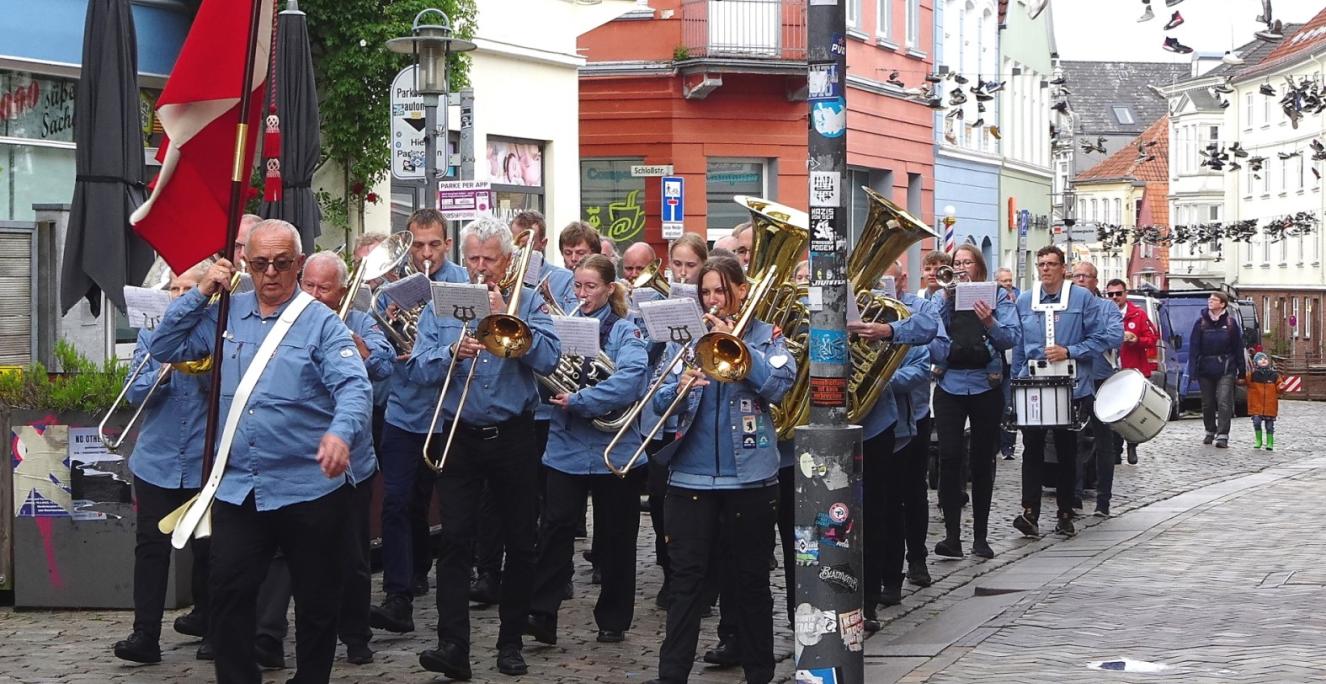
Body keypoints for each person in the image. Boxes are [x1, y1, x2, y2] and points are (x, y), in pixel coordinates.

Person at [149, 219, 373, 683]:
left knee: (317, 601)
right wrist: (199, 294)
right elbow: (165, 345)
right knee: (228, 593)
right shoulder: (225, 310)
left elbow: (354, 387)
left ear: (299, 264)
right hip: (239, 488)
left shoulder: (321, 323)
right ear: (245, 265)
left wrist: (339, 434)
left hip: (308, 487)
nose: (271, 273)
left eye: (282, 263)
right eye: (260, 263)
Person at [411, 215, 561, 679]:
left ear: (508, 261)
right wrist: (449, 354)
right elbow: (417, 368)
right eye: (472, 258)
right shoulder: (443, 303)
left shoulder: (530, 300)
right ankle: (452, 645)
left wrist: (510, 322)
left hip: (514, 434)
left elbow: (552, 358)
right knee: (455, 540)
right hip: (459, 433)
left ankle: (511, 641)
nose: (480, 268)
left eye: (489, 259)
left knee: (520, 540)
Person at [647, 257, 794, 684]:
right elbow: (655, 403)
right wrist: (678, 388)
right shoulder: (686, 340)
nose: (713, 300)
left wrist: (740, 348)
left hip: (751, 478)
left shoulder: (769, 335)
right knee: (686, 582)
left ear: (742, 291)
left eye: (721, 291)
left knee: (749, 582)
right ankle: (671, 674)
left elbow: (780, 387)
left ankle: (759, 673)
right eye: (706, 292)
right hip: (689, 479)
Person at [526, 254, 650, 645]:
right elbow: (543, 366)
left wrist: (583, 400)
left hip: (616, 448)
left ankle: (613, 618)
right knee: (555, 529)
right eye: (577, 286)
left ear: (609, 289)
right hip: (566, 448)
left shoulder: (624, 331)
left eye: (590, 287)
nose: (582, 294)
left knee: (616, 537)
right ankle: (542, 613)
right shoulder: (562, 326)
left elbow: (631, 379)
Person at [371, 209, 471, 634]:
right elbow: (382, 351)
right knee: (396, 501)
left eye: (433, 244)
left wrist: (430, 350)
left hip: (451, 415)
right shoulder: (388, 293)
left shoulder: (466, 286)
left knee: (446, 506)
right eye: (417, 245)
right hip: (405, 410)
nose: (425, 253)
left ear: (447, 244)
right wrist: (391, 331)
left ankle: (446, 577)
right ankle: (399, 596)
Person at [112, 264, 214, 665]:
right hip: (157, 458)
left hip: (205, 458)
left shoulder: (214, 332)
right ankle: (145, 635)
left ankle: (213, 627)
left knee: (211, 549)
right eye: (174, 288)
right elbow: (136, 393)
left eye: (189, 288)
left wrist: (198, 365)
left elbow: (227, 386)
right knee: (150, 548)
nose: (179, 295)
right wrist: (164, 367)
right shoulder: (151, 333)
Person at [299, 251, 394, 664]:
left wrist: (359, 350)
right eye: (310, 286)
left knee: (353, 556)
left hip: (352, 461)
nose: (316, 295)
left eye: (325, 288)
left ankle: (356, 635)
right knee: (301, 556)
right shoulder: (289, 322)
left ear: (341, 292)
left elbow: (386, 361)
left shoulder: (359, 319)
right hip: (302, 457)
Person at [845, 265, 938, 618]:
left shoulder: (903, 309)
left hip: (880, 423)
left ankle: (873, 597)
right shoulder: (838, 301)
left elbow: (929, 331)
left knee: (879, 510)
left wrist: (887, 331)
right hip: (832, 421)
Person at [1012, 246, 1121, 538]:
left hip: (1071, 386)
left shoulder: (1082, 298)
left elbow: (1104, 337)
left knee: (1066, 450)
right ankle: (1030, 512)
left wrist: (1070, 350)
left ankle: (1064, 513)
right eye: (1041, 264)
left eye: (1050, 264)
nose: (1045, 269)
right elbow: (1020, 345)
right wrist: (1015, 382)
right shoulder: (1025, 300)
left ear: (1063, 268)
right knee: (1032, 449)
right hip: (1033, 384)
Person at [932, 245, 1020, 558]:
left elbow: (1010, 338)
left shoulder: (997, 295)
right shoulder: (943, 294)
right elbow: (931, 330)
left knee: (983, 460)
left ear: (979, 267)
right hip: (951, 384)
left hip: (985, 385)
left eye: (967, 262)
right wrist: (945, 299)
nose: (961, 267)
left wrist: (989, 322)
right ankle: (952, 537)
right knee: (950, 456)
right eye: (956, 263)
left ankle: (980, 538)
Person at [885, 265, 948, 591]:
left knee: (913, 491)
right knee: (886, 496)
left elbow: (939, 350)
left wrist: (898, 328)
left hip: (915, 412)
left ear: (903, 280)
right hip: (876, 417)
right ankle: (886, 569)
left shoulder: (921, 307)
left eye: (890, 279)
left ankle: (918, 558)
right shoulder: (867, 306)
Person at [1070, 261, 1122, 514]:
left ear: (1095, 281)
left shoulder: (1107, 307)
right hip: (1075, 380)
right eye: (1076, 276)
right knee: (1073, 442)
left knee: (1104, 442)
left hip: (1102, 381)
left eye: (1086, 276)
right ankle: (1074, 496)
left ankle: (1103, 500)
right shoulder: (1066, 307)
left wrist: (1081, 347)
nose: (1080, 280)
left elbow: (1115, 336)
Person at [1105, 278, 1157, 465]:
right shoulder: (1103, 314)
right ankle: (1115, 449)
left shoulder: (1138, 314)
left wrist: (1136, 340)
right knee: (1113, 412)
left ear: (1125, 294)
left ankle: (1131, 444)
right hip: (1110, 369)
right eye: (1110, 294)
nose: (1115, 297)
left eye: (1118, 294)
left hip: (1131, 369)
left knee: (1130, 411)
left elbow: (1152, 338)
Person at [1186, 292, 1246, 448]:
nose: (1210, 302)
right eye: (1209, 299)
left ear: (1223, 304)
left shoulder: (1231, 324)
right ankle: (1210, 431)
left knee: (1224, 401)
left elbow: (1238, 349)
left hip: (1226, 368)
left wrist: (1242, 370)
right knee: (1207, 403)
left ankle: (1223, 435)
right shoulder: (1200, 324)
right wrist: (1192, 370)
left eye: (1214, 300)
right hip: (1205, 368)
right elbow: (1193, 349)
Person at [1245, 352, 1281, 450]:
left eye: (1265, 358)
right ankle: (1258, 440)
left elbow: (1279, 386)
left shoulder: (1274, 375)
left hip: (1270, 406)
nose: (1263, 360)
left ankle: (1270, 443)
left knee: (1269, 426)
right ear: (1256, 362)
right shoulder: (1252, 375)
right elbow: (1244, 381)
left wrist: (1281, 386)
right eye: (1260, 359)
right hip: (1257, 405)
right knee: (1256, 422)